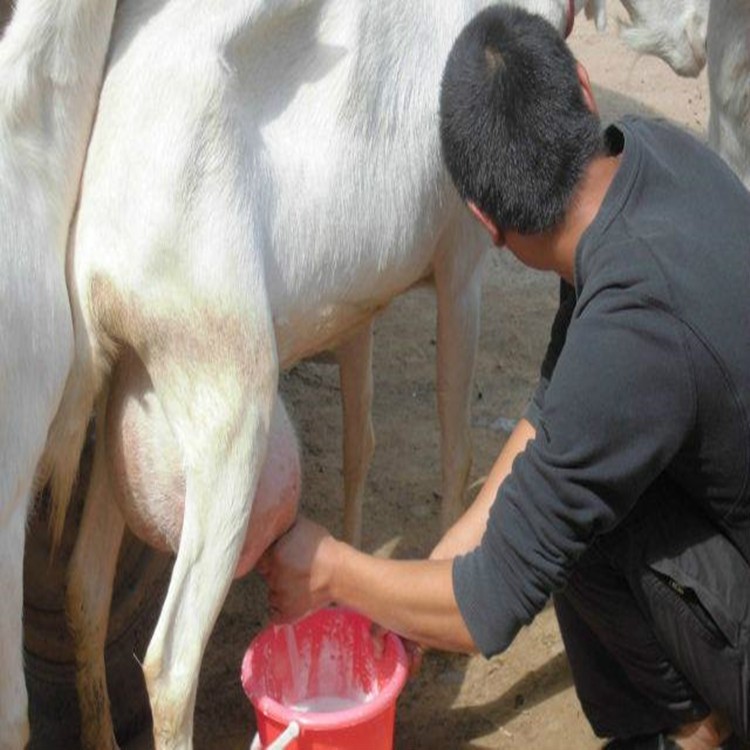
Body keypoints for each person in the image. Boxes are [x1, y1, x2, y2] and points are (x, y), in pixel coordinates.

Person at [258, 5, 750, 749]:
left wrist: (333, 571)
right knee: (565, 494)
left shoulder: (630, 328)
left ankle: (688, 729)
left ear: (483, 223)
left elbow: (490, 602)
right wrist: (428, 573)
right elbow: (554, 419)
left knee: (575, 526)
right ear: (585, 90)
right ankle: (698, 720)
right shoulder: (647, 159)